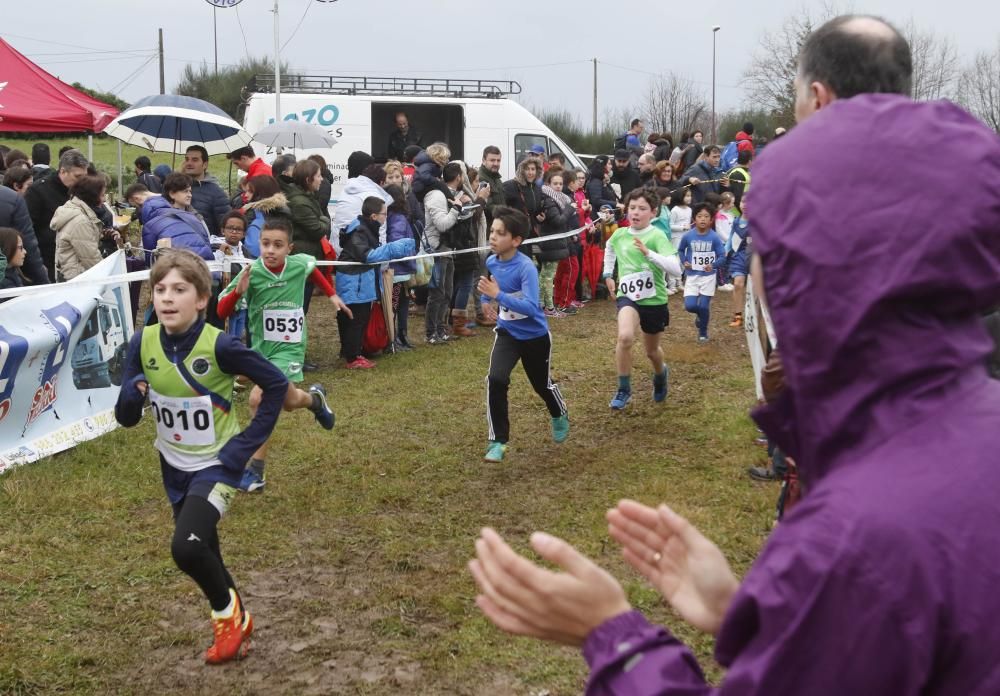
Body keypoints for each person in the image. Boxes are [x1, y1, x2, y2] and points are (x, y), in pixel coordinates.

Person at [470, 14, 1000, 693]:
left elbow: (877, 594)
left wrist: (616, 639)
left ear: (803, 271)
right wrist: (743, 616)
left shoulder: (858, 541)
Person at [114, 250, 289, 664]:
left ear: (201, 299)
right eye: (160, 290)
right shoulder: (143, 342)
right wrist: (131, 392)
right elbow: (124, 418)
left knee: (187, 548)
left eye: (179, 289)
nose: (167, 299)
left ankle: (225, 615)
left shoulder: (221, 345)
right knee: (205, 549)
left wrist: (244, 447)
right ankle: (238, 619)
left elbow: (276, 386)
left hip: (217, 466)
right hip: (173, 466)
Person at [216, 218, 342, 493]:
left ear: (289, 248)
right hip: (262, 351)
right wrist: (237, 293)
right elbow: (221, 313)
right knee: (289, 400)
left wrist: (332, 294)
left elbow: (313, 270)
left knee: (259, 398)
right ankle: (315, 401)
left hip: (290, 347)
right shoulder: (253, 272)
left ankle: (256, 472)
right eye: (265, 244)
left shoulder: (298, 263)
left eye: (277, 245)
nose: (270, 250)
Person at [477, 206, 569, 463]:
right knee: (495, 379)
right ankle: (498, 440)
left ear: (516, 240)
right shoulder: (492, 261)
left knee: (541, 384)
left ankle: (559, 412)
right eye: (492, 231)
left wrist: (498, 296)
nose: (493, 237)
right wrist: (486, 298)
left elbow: (530, 306)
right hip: (507, 333)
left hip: (534, 336)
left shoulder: (526, 267)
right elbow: (491, 284)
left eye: (500, 233)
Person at [602, 189, 681, 410]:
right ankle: (623, 389)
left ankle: (660, 373)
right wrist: (608, 274)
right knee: (625, 337)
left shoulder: (657, 236)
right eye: (632, 207)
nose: (636, 213)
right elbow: (609, 249)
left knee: (651, 352)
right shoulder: (619, 234)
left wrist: (649, 254)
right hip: (628, 297)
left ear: (653, 212)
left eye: (642, 209)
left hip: (654, 301)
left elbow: (676, 268)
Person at [335, 197, 416, 367]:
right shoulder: (360, 231)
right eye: (384, 214)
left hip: (356, 280)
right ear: (373, 216)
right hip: (355, 282)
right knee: (357, 318)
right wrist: (395, 248)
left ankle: (350, 351)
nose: (385, 217)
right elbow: (368, 256)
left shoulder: (363, 228)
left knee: (350, 317)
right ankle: (354, 356)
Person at [24, 149, 89, 281]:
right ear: (63, 171)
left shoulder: (82, 190)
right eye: (77, 176)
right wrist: (37, 264)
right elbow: (27, 230)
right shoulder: (38, 191)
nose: (82, 181)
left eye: (84, 176)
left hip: (77, 259)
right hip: (49, 259)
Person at [425, 162, 471, 344]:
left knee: (447, 291)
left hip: (448, 249)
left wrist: (464, 206)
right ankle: (431, 332)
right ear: (459, 177)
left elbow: (455, 216)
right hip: (437, 249)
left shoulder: (449, 194)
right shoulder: (436, 196)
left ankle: (442, 328)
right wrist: (457, 208)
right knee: (437, 292)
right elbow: (443, 224)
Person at [284, 159, 332, 318]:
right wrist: (325, 219)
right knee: (298, 308)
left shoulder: (307, 197)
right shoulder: (300, 203)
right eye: (318, 176)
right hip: (300, 260)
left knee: (302, 308)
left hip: (307, 257)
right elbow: (317, 230)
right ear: (308, 179)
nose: (321, 179)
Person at [678, 201, 727, 342]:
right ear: (694, 219)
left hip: (708, 277)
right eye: (700, 216)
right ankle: (700, 315)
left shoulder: (714, 237)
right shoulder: (688, 236)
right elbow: (681, 250)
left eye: (706, 216)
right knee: (690, 306)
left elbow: (722, 256)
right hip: (692, 275)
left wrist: (713, 265)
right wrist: (684, 261)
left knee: (704, 305)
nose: (703, 219)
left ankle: (703, 331)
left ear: (711, 220)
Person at [51, 174, 107, 281]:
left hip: (68, 274)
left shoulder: (72, 211)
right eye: (102, 195)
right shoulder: (81, 222)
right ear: (92, 196)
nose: (104, 200)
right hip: (78, 278)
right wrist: (108, 274)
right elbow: (91, 258)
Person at [384, 184, 417, 351]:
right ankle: (394, 339)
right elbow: (397, 242)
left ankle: (401, 336)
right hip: (398, 271)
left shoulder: (391, 216)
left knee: (400, 305)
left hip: (399, 271)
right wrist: (408, 255)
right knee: (395, 306)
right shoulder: (398, 218)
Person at [333, 152, 392, 244]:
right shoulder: (374, 195)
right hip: (361, 252)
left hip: (339, 249)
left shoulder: (346, 190)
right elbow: (380, 232)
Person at [538, 169, 571, 317]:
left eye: (560, 183)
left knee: (546, 275)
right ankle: (548, 307)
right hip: (551, 242)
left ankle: (542, 305)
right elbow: (558, 221)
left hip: (555, 242)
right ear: (548, 184)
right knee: (547, 276)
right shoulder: (550, 200)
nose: (558, 186)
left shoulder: (559, 199)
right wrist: (570, 210)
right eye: (555, 183)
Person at [213, 211, 250, 341]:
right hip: (228, 303)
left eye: (239, 229)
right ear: (223, 230)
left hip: (243, 304)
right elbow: (215, 271)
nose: (234, 232)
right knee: (227, 337)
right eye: (230, 228)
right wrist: (220, 253)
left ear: (244, 233)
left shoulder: (245, 252)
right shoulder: (216, 249)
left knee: (237, 338)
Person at [239, 175, 292, 259]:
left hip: (253, 260)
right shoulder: (284, 211)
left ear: (260, 193)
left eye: (250, 191)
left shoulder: (251, 212)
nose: (246, 195)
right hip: (278, 259)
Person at [182, 146, 230, 237]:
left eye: (194, 160)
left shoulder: (217, 193)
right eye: (187, 159)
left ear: (205, 164)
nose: (189, 163)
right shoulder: (176, 188)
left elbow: (226, 226)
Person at [726, 195, 752, 329]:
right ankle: (738, 315)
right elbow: (732, 238)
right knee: (738, 284)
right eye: (743, 202)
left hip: (755, 257)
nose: (745, 205)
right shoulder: (736, 221)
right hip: (739, 256)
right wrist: (725, 250)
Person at [667, 188, 692, 293]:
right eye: (687, 196)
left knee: (683, 261)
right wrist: (682, 227)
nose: (689, 198)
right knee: (675, 261)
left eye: (690, 196)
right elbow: (670, 225)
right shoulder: (675, 210)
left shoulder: (689, 210)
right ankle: (671, 284)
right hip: (676, 238)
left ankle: (679, 282)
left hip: (685, 238)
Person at [478, 146, 505, 225]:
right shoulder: (481, 179)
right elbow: (487, 207)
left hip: (498, 224)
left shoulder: (497, 179)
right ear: (483, 161)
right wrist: (507, 212)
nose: (496, 163)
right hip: (488, 228)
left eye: (498, 160)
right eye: (492, 160)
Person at [0, 227, 27, 298]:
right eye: (20, 248)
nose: (25, 252)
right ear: (7, 248)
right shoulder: (4, 284)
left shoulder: (13, 273)